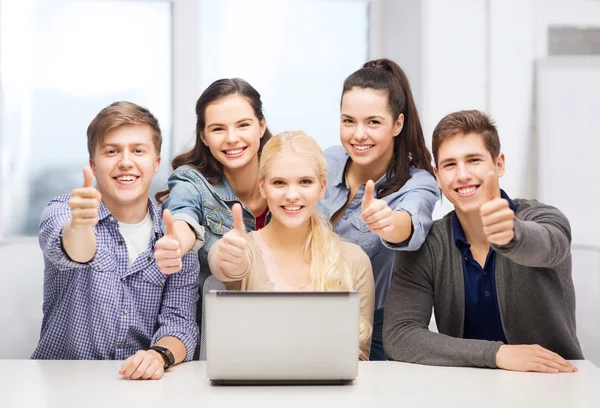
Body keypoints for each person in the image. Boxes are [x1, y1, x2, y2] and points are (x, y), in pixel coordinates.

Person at [383, 110, 583, 372]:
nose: (462, 174)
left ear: (499, 164)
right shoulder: (426, 245)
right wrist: (496, 354)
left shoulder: (543, 217)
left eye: (473, 160)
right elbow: (400, 335)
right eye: (450, 164)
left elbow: (549, 246)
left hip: (554, 380)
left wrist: (511, 234)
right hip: (469, 387)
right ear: (437, 175)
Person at [32, 101, 200, 381]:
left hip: (138, 388)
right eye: (112, 151)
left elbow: (180, 323)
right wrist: (81, 226)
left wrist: (158, 355)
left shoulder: (175, 236)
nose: (125, 161)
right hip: (60, 384)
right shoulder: (64, 212)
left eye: (138, 151)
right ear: (93, 164)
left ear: (156, 163)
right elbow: (76, 251)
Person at [208, 131, 375, 360]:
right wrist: (223, 256)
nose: (292, 195)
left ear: (322, 186)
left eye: (305, 182)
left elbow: (358, 359)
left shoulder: (354, 260)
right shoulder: (242, 250)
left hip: (330, 395)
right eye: (279, 183)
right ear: (263, 187)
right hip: (254, 394)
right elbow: (222, 263)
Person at [318, 58, 440, 360]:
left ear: (397, 124)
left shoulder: (418, 182)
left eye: (373, 122)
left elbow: (409, 223)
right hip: (310, 312)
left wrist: (388, 222)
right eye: (349, 121)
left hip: (374, 328)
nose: (358, 134)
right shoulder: (327, 160)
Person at [155, 79, 272, 337]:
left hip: (276, 326)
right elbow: (183, 217)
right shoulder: (191, 181)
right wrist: (176, 243)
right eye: (218, 129)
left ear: (261, 126)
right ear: (204, 137)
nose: (232, 139)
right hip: (213, 335)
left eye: (243, 125)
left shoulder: (286, 178)